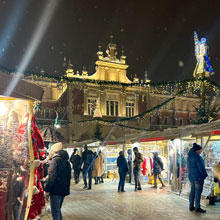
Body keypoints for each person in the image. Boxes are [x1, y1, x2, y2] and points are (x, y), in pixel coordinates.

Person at [44, 142, 71, 220]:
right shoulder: (66, 161)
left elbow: (51, 177)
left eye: (51, 150)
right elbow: (68, 177)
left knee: (55, 212)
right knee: (58, 210)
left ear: (54, 151)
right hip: (63, 190)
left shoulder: (55, 161)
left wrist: (47, 190)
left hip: (55, 190)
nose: (50, 152)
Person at [187, 143, 208, 213]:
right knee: (198, 192)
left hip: (191, 177)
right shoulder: (198, 157)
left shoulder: (189, 156)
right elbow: (201, 168)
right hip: (198, 177)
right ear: (197, 150)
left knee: (192, 191)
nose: (201, 151)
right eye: (200, 150)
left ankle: (191, 206)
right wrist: (204, 175)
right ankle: (197, 208)